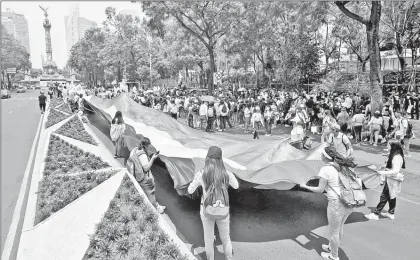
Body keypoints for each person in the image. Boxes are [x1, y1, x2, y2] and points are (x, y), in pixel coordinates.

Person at [300, 147, 357, 260]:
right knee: (339, 228)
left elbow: (320, 190)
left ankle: (334, 256)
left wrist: (304, 186)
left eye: (322, 154)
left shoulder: (326, 169)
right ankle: (331, 247)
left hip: (337, 204)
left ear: (325, 157)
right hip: (349, 201)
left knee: (334, 231)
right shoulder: (341, 166)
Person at [188, 146, 239, 260]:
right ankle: (229, 258)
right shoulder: (227, 174)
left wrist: (197, 183)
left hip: (206, 210)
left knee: (208, 239)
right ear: (221, 160)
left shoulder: (202, 174)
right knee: (226, 238)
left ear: (207, 158)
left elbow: (190, 190)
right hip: (223, 210)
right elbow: (236, 186)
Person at [365, 140, 405, 221]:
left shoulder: (396, 157)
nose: (387, 146)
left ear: (393, 146)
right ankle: (391, 213)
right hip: (391, 179)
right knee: (391, 196)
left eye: (388, 145)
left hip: (392, 180)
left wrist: (382, 173)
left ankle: (376, 214)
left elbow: (395, 171)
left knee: (384, 196)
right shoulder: (395, 155)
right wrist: (384, 167)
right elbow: (392, 167)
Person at [129, 137, 166, 214]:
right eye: (148, 146)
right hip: (144, 178)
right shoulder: (143, 156)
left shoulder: (136, 149)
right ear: (146, 146)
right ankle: (155, 210)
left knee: (147, 193)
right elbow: (146, 168)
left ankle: (156, 205)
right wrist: (152, 158)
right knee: (151, 193)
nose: (149, 148)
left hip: (137, 174)